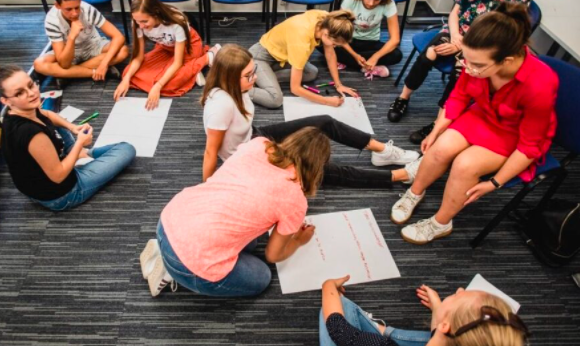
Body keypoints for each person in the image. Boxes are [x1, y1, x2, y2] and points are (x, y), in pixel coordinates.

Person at [391, 2, 557, 245]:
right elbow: (458, 97)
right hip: (483, 115)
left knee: (465, 165)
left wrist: (494, 182)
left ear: (506, 61)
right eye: (466, 60)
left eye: (477, 65)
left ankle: (441, 222)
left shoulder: (540, 83)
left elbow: (529, 145)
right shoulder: (477, 63)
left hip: (514, 133)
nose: (468, 68)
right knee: (440, 148)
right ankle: (415, 192)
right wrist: (436, 131)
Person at [141, 127, 329, 297]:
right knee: (263, 276)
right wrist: (298, 241)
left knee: (251, 243)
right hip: (188, 262)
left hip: (169, 220)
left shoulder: (259, 144)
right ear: (317, 169)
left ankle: (162, 249)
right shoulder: (296, 199)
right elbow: (273, 255)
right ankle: (170, 270)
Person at [201, 44, 420, 186]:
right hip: (248, 158)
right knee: (317, 169)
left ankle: (382, 151)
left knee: (324, 122)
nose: (255, 78)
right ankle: (399, 176)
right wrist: (207, 190)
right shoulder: (221, 105)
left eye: (254, 71)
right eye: (249, 75)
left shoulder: (239, 89)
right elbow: (211, 152)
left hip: (255, 137)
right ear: (230, 77)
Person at [388, 0, 533, 129]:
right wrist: (456, 37)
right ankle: (403, 98)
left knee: (460, 71)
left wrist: (462, 46)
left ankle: (439, 121)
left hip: (483, 45)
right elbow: (456, 10)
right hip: (456, 31)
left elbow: (503, 35)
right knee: (430, 53)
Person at [0, 65, 135, 211]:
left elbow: (46, 114)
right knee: (126, 149)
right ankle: (82, 154)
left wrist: (72, 127)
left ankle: (78, 154)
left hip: (35, 183)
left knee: (52, 121)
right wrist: (79, 143)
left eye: (30, 85)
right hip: (62, 194)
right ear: (6, 101)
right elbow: (58, 176)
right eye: (19, 93)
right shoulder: (32, 133)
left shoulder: (16, 112)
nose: (31, 93)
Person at [320, 276, 529, 346]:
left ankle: (383, 331)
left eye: (458, 296)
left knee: (336, 306)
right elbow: (443, 334)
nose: (459, 289)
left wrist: (328, 285)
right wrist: (440, 309)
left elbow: (339, 330)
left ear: (444, 325)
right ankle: (383, 330)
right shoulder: (453, 335)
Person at [113, 0, 215, 110]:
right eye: (137, 21)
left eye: (145, 21)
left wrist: (158, 86)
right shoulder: (138, 22)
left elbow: (177, 62)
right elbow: (139, 57)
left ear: (156, 13)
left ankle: (208, 57)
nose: (140, 26)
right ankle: (191, 70)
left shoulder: (177, 21)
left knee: (170, 84)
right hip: (165, 47)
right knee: (127, 72)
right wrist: (126, 79)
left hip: (189, 47)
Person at [248, 9, 359, 109]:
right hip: (260, 57)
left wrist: (338, 84)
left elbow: (330, 54)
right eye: (334, 44)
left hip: (282, 56)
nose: (334, 46)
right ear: (326, 34)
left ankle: (262, 78)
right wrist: (326, 101)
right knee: (275, 100)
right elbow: (295, 89)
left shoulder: (328, 19)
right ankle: (239, 89)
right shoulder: (301, 42)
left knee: (311, 73)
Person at [34, 0, 129, 84]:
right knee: (39, 64)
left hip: (92, 44)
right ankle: (94, 72)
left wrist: (104, 64)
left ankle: (68, 74)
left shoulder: (88, 9)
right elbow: (64, 64)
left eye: (77, 7)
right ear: (57, 5)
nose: (74, 13)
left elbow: (118, 36)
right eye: (68, 9)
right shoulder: (51, 20)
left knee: (123, 51)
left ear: (80, 1)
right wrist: (72, 37)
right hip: (68, 50)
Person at [322, 0, 402, 78]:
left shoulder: (389, 3)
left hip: (371, 42)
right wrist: (355, 55)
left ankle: (346, 61)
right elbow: (339, 31)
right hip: (347, 40)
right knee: (322, 41)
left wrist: (375, 57)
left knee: (397, 55)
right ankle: (366, 66)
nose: (371, 3)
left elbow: (395, 40)